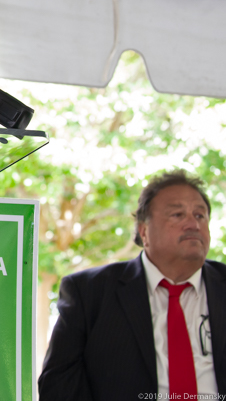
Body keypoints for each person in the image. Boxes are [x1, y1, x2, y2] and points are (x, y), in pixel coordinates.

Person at [38, 170, 226, 400]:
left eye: (200, 215)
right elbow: (58, 385)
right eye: (177, 214)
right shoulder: (89, 293)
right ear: (143, 231)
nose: (193, 224)